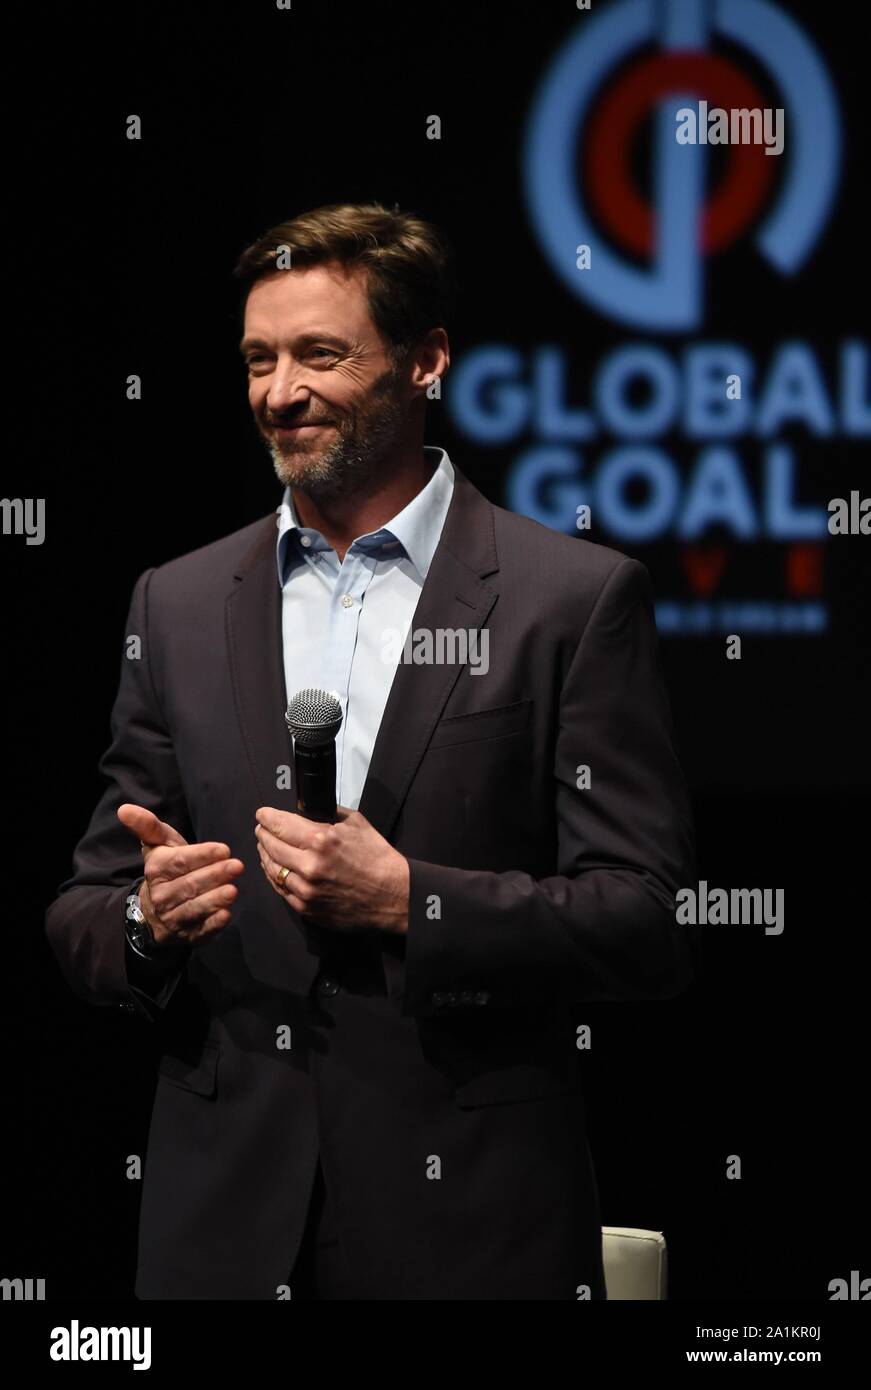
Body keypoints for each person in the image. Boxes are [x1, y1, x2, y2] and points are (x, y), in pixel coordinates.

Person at [45, 201, 695, 1300]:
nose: (278, 390)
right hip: (222, 1230)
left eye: (319, 353)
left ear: (427, 361)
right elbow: (84, 909)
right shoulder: (180, 599)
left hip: (471, 1229)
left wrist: (413, 901)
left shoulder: (569, 601)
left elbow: (647, 918)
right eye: (258, 357)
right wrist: (145, 920)